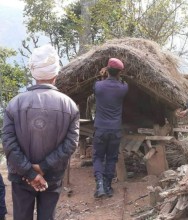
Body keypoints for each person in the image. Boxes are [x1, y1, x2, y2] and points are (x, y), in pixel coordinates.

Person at [2, 44, 79, 220]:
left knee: (21, 216)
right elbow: (71, 144)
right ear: (55, 74)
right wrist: (42, 168)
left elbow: (8, 143)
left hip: (21, 176)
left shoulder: (14, 104)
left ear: (33, 72)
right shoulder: (70, 106)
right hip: (52, 175)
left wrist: (30, 172)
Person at [93, 58, 128, 198]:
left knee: (98, 157)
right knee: (112, 158)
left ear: (107, 69)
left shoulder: (98, 86)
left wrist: (102, 75)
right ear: (120, 72)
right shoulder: (123, 88)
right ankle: (108, 186)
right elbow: (122, 81)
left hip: (100, 129)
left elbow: (99, 86)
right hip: (115, 130)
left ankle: (99, 185)